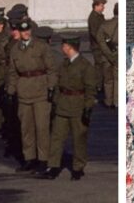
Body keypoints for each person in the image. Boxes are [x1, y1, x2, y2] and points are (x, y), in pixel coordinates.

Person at [39, 36, 97, 181]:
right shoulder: (64, 64)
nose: (62, 48)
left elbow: (90, 89)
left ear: (70, 47)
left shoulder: (85, 66)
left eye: (64, 46)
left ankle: (78, 167)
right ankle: (53, 166)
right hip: (63, 105)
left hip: (78, 105)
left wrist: (88, 108)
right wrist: (55, 103)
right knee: (57, 138)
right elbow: (59, 85)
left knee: (79, 138)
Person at [8, 18, 57, 173]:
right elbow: (13, 73)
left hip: (41, 91)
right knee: (26, 128)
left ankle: (43, 160)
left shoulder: (42, 47)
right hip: (23, 92)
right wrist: (10, 91)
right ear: (19, 32)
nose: (26, 33)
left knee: (42, 127)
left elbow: (51, 69)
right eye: (23, 31)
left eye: (28, 30)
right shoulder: (15, 50)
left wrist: (51, 87)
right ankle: (29, 159)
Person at [93, 3, 118, 109]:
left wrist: (109, 54)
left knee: (108, 80)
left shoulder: (105, 25)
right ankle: (117, 101)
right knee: (118, 79)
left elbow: (100, 41)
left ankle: (108, 101)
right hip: (118, 54)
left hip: (106, 56)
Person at [86, 0, 108, 100]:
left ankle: (100, 84)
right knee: (99, 66)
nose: (103, 7)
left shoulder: (99, 16)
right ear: (96, 6)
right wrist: (103, 41)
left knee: (101, 66)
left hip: (101, 45)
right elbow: (95, 33)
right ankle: (98, 86)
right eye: (102, 5)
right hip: (97, 46)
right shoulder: (93, 18)